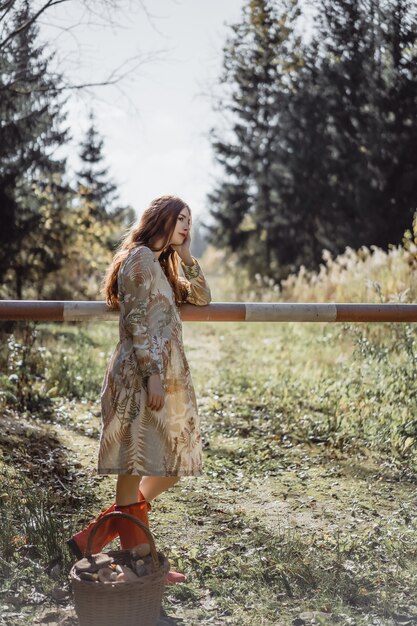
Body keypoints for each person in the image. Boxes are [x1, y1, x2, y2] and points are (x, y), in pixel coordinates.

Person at [67, 195, 212, 585]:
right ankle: (142, 565)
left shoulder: (163, 265)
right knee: (132, 467)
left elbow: (202, 297)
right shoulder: (140, 259)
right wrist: (151, 375)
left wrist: (186, 256)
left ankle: (94, 536)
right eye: (178, 219)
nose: (185, 226)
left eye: (188, 221)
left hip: (165, 375)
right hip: (138, 375)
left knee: (174, 462)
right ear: (159, 219)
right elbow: (134, 320)